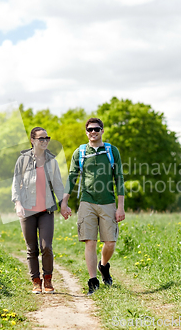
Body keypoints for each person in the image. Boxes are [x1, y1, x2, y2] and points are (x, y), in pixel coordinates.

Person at [60, 118, 125, 296]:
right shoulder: (80, 152)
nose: (93, 132)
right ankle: (93, 281)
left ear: (102, 131)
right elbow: (72, 177)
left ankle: (103, 266)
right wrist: (64, 202)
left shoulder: (112, 151)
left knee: (110, 242)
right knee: (90, 241)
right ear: (86, 132)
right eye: (90, 130)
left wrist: (121, 207)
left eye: (96, 129)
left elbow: (119, 178)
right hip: (87, 202)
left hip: (108, 202)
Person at [12, 127, 65, 294]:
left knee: (46, 246)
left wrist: (64, 204)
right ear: (32, 141)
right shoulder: (22, 160)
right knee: (31, 248)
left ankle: (47, 279)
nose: (45, 141)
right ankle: (36, 281)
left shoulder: (52, 161)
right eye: (41, 138)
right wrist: (17, 203)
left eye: (47, 138)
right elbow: (15, 183)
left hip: (46, 210)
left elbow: (58, 185)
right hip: (27, 210)